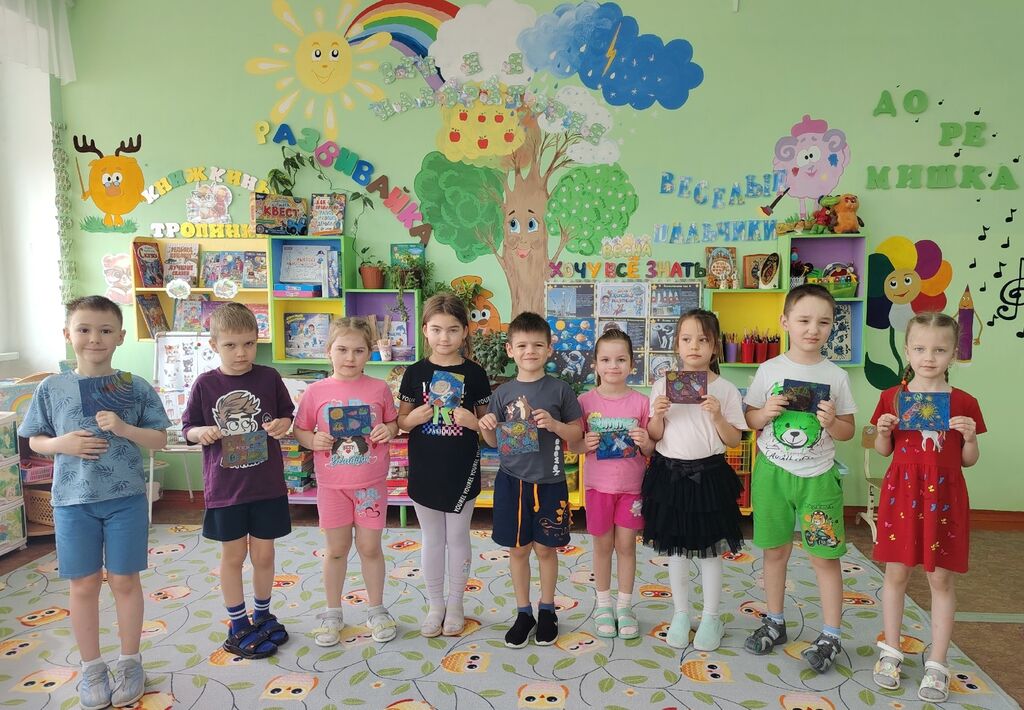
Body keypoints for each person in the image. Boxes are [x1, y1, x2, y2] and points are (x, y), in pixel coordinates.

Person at [20, 295, 170, 709]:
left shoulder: (135, 386)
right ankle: (91, 668)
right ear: (67, 334)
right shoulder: (51, 387)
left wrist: (124, 428)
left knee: (124, 581)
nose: (94, 338)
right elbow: (35, 439)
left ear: (120, 336)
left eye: (105, 330)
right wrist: (60, 444)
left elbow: (159, 439)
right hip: (72, 502)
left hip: (126, 499)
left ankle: (130, 662)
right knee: (83, 583)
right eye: (84, 329)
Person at [870, 312, 984, 703]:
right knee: (896, 573)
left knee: (941, 580)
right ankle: (891, 651)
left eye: (939, 349)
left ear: (953, 354)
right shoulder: (892, 397)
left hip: (945, 498)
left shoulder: (965, 401)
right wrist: (883, 432)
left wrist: (970, 438)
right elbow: (884, 451)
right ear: (907, 350)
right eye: (920, 348)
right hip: (902, 493)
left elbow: (969, 460)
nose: (929, 357)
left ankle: (937, 661)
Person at [743, 284, 857, 673]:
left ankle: (831, 634)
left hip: (818, 478)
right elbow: (750, 419)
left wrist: (832, 422)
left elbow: (847, 431)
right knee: (774, 551)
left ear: (831, 327)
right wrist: (765, 413)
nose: (813, 329)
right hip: (772, 475)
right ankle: (775, 621)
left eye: (823, 322)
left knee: (824, 557)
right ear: (785, 321)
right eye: (804, 320)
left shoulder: (836, 376)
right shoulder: (769, 370)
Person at [182, 303, 294, 660]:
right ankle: (237, 624)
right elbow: (187, 428)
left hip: (267, 485)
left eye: (249, 343)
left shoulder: (269, 377)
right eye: (231, 345)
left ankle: (262, 614)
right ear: (214, 344)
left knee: (264, 553)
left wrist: (283, 424)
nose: (241, 352)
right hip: (226, 490)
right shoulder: (205, 384)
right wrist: (201, 432)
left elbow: (286, 415)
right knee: (233, 556)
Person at [478, 312, 584, 648]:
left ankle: (548, 609)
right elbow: (494, 442)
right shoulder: (503, 393)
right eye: (522, 345)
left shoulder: (560, 390)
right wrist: (487, 426)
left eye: (538, 345)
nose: (530, 351)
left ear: (549, 349)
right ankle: (524, 613)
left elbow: (577, 435)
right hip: (512, 482)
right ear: (510, 350)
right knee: (518, 549)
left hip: (550, 482)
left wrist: (554, 425)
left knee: (546, 549)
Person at [643, 309, 747, 651]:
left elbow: (734, 440)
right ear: (676, 344)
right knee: (676, 550)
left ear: (715, 347)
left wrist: (717, 415)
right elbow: (654, 435)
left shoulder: (725, 389)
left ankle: (712, 616)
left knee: (709, 551)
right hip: (669, 475)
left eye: (703, 340)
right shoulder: (662, 385)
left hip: (709, 477)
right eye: (687, 339)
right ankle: (681, 613)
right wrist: (657, 415)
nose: (694, 346)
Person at [293, 317, 399, 647]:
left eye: (358, 351)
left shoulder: (379, 388)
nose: (350, 357)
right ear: (329, 351)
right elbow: (301, 429)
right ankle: (332, 612)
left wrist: (387, 430)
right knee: (336, 550)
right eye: (342, 349)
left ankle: (377, 609)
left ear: (369, 353)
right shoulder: (316, 392)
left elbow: (393, 423)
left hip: (370, 484)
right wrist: (312, 440)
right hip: (332, 485)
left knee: (370, 548)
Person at [397, 295, 490, 637]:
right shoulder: (414, 373)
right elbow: (401, 422)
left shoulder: (475, 373)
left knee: (458, 537)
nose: (444, 337)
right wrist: (413, 419)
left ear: (465, 331)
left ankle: (456, 603)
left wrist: (474, 423)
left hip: (462, 468)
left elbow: (488, 429)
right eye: (436, 329)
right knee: (432, 539)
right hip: (425, 467)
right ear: (425, 330)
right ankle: (436, 604)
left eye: (452, 329)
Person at [571, 328, 652, 640]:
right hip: (597, 488)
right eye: (605, 359)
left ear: (632, 364)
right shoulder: (584, 402)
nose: (613, 366)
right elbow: (574, 445)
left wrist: (645, 442)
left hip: (632, 488)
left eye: (620, 360)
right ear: (595, 364)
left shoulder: (641, 403)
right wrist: (585, 443)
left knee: (627, 546)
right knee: (602, 546)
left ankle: (625, 606)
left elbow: (651, 449)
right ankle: (603, 604)